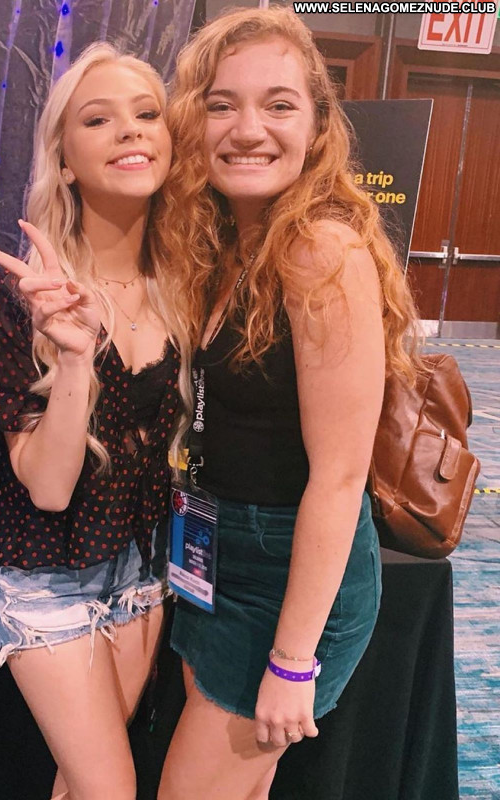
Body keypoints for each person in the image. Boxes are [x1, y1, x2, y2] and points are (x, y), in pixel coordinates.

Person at [154, 8, 421, 800]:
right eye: (222, 104)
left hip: (287, 579)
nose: (248, 129)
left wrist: (293, 660)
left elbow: (339, 477)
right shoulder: (230, 241)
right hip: (216, 549)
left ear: (317, 125)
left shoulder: (319, 247)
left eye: (278, 104)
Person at [0, 43, 189, 800]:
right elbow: (50, 489)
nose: (130, 131)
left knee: (85, 783)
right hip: (46, 575)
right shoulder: (17, 297)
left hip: (143, 569)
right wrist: (72, 359)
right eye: (98, 120)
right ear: (63, 161)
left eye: (147, 113)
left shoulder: (186, 283)